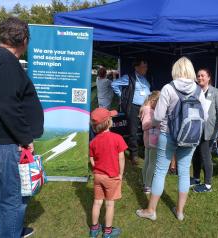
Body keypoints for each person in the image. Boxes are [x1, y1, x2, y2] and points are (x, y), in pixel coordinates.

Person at [0, 17, 44, 238]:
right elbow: (8, 107)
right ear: (24, 40)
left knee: (4, 189)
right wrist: (25, 138)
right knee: (15, 196)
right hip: (6, 140)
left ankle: (6, 231)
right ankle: (8, 234)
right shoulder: (6, 62)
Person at [136, 57, 208, 221]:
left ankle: (151, 210)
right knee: (184, 172)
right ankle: (180, 211)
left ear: (175, 70)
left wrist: (152, 123)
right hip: (191, 137)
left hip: (168, 135)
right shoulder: (198, 90)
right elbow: (205, 115)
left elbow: (159, 116)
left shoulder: (168, 88)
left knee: (160, 172)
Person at [89, 108, 128, 238]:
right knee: (109, 204)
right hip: (112, 176)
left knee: (97, 202)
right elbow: (121, 158)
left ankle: (94, 229)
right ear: (109, 122)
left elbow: (91, 159)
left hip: (98, 176)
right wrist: (121, 174)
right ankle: (108, 232)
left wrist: (97, 166)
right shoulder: (117, 138)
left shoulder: (93, 142)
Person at [190, 68, 218, 193]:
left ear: (209, 78)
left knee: (205, 155)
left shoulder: (216, 92)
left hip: (208, 129)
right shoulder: (195, 91)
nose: (200, 78)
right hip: (195, 128)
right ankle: (196, 178)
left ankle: (207, 185)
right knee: (195, 154)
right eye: (198, 76)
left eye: (203, 76)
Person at [111, 58, 151, 165]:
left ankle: (145, 151)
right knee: (133, 131)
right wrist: (123, 97)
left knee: (146, 129)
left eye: (146, 67)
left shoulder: (145, 79)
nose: (145, 69)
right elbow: (114, 84)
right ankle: (134, 155)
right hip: (133, 107)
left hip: (145, 107)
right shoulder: (128, 77)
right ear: (136, 67)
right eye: (143, 66)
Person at [139, 91, 160, 194]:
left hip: (148, 138)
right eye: (158, 103)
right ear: (153, 101)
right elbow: (145, 126)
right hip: (152, 138)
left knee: (147, 161)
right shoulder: (149, 110)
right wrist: (157, 123)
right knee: (152, 162)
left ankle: (145, 181)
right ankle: (148, 185)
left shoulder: (146, 109)